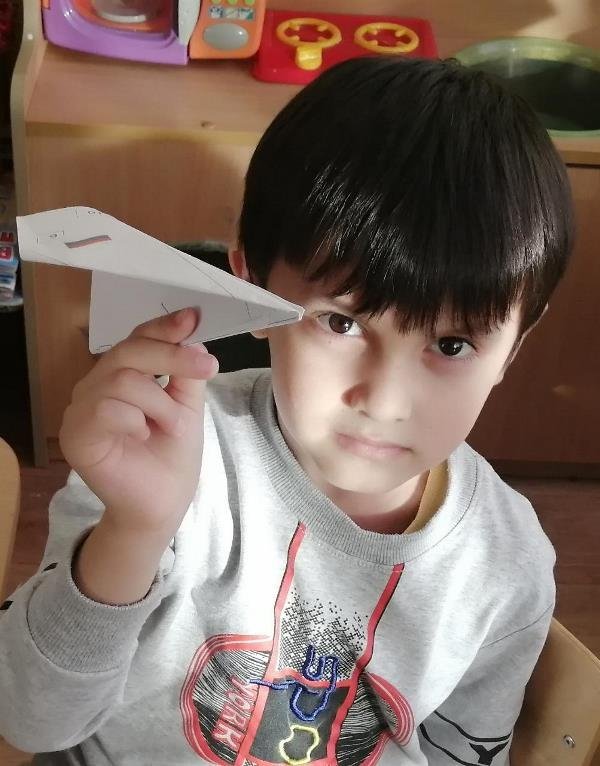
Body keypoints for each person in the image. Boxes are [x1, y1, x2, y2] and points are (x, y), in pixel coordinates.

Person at [0, 56, 573, 766]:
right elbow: (31, 722)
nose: (385, 401)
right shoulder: (158, 450)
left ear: (516, 345)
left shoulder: (507, 565)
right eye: (341, 323)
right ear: (249, 282)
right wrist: (134, 531)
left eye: (451, 345)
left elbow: (464, 751)